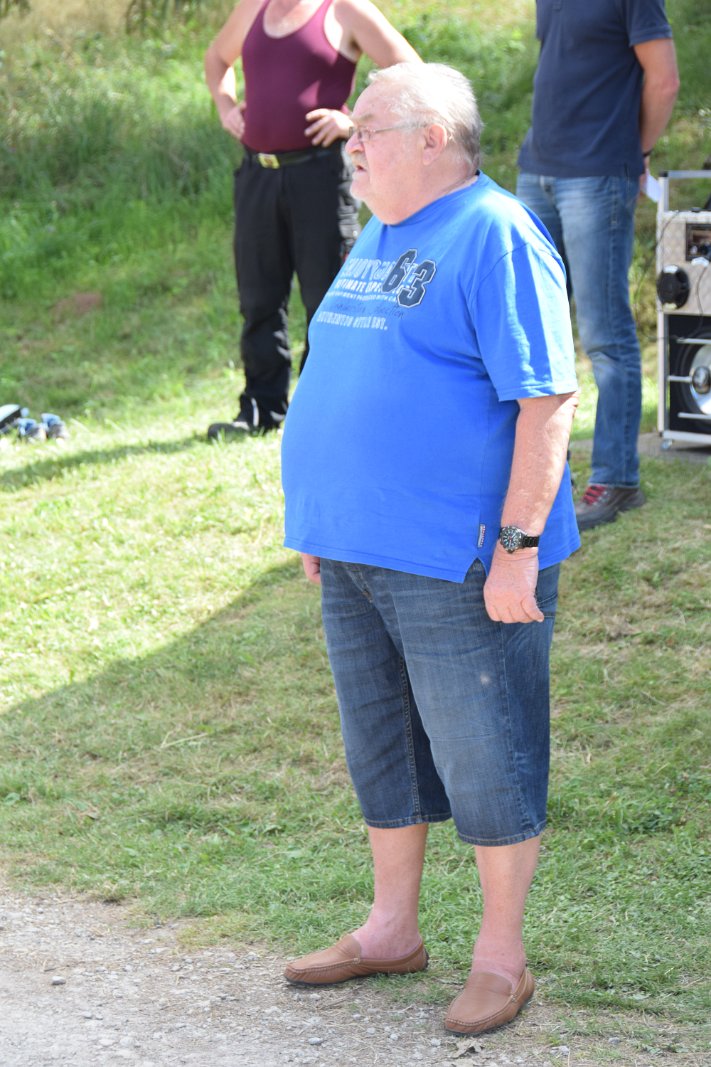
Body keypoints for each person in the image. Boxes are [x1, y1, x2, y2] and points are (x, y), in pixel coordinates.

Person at [280, 62, 580, 1036]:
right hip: (357, 545)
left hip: (460, 555)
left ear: (433, 138)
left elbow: (546, 398)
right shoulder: (382, 229)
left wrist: (518, 547)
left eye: (368, 128)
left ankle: (501, 958)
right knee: (383, 750)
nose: (351, 143)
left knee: (488, 753)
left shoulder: (494, 232)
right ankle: (391, 927)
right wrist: (318, 518)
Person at [204, 0, 420, 439]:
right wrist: (225, 106)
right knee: (258, 298)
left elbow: (413, 74)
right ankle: (261, 409)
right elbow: (217, 59)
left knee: (329, 299)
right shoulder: (255, 7)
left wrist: (354, 122)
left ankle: (326, 410)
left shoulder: (344, 10)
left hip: (320, 175)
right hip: (258, 174)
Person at [517, 0, 679, 531]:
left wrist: (636, 152)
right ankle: (545, 476)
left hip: (598, 174)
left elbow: (664, 80)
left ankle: (617, 479)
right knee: (530, 331)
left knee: (604, 335)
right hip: (537, 171)